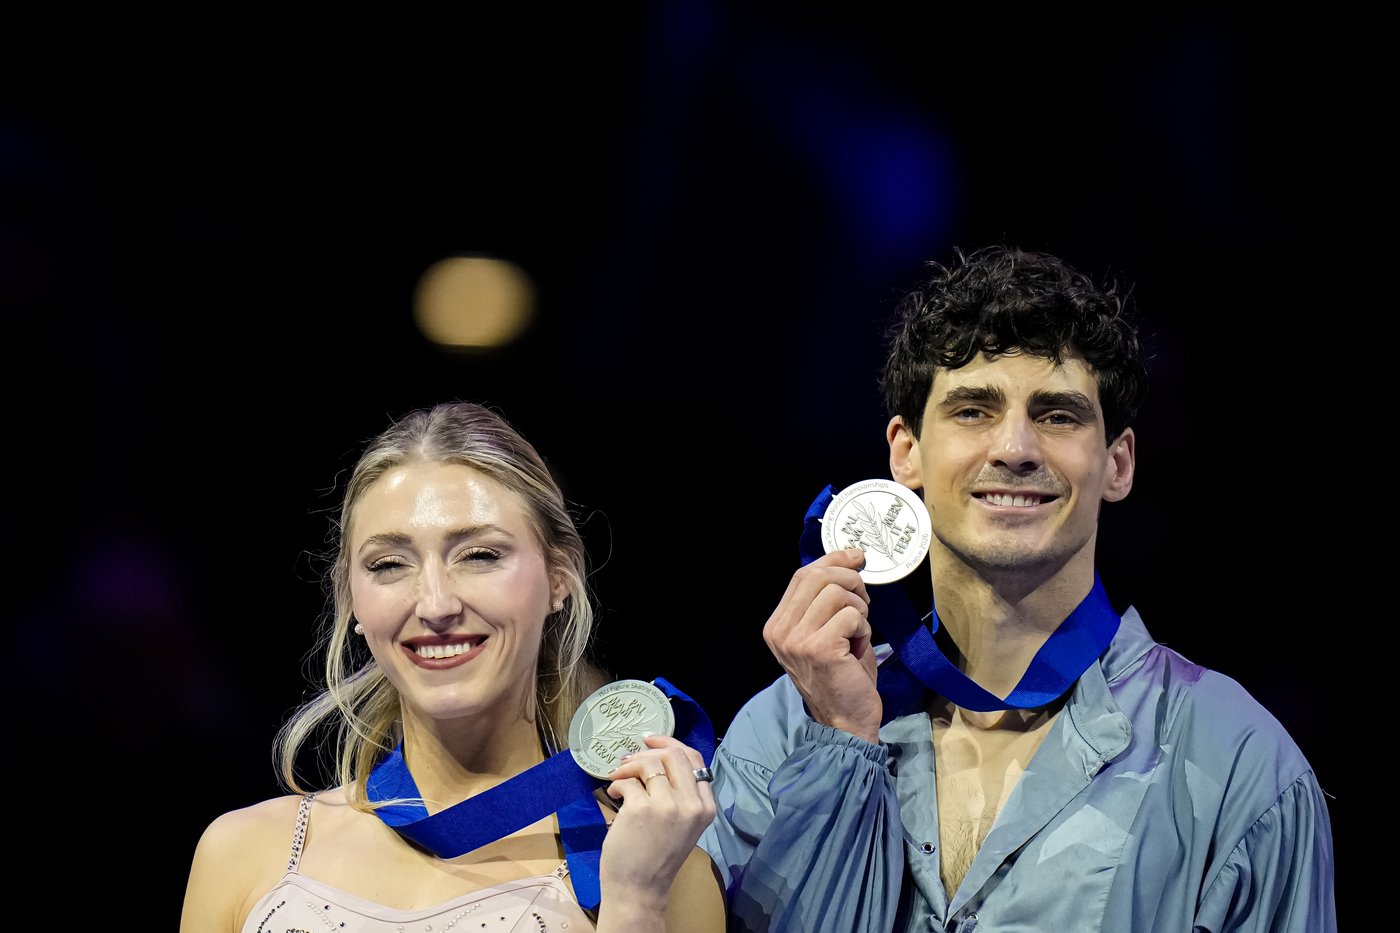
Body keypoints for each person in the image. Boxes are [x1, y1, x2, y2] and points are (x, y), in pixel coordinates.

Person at [697, 244, 1336, 932]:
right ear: (905, 451)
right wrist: (842, 746)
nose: (1016, 448)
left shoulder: (1237, 765)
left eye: (1058, 415)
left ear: (1118, 464)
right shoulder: (787, 729)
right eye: (973, 410)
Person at [181, 401, 726, 932]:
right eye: (389, 564)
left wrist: (634, 904)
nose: (436, 604)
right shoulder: (242, 853)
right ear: (352, 602)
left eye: (480, 555)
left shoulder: (658, 873)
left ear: (558, 576)